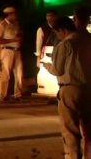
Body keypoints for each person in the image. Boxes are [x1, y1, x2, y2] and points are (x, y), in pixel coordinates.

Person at [43, 16, 91, 159]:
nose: (57, 36)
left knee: (70, 129)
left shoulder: (65, 45)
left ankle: (73, 156)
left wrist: (46, 65)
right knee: (89, 130)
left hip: (70, 89)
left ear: (62, 30)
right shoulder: (88, 40)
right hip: (88, 88)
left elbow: (58, 70)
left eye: (57, 32)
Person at [0, 6, 23, 103]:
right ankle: (2, 96)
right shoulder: (1, 25)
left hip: (17, 50)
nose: (16, 15)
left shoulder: (16, 24)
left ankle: (18, 95)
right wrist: (12, 40)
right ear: (9, 14)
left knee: (19, 73)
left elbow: (19, 35)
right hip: (7, 51)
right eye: (14, 14)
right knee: (6, 74)